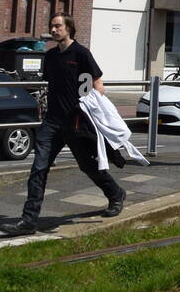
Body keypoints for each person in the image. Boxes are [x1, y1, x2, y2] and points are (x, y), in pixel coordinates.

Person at [8, 13, 125, 235]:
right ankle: (29, 220)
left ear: (69, 28)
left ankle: (116, 194)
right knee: (38, 168)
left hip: (75, 122)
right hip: (52, 123)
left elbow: (98, 84)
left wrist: (92, 110)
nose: (53, 30)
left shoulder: (81, 54)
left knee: (88, 165)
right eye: (51, 26)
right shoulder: (51, 56)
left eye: (58, 26)